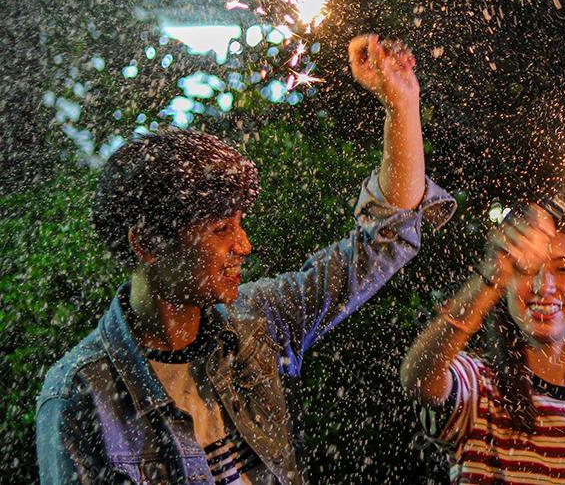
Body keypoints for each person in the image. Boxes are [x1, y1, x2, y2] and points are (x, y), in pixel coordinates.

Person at [35, 34, 456, 484]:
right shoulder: (81, 394)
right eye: (221, 229)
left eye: (240, 223)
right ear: (147, 245)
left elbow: (381, 243)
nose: (244, 244)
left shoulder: (255, 322)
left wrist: (401, 104)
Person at [400, 206, 565, 483]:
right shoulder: (479, 386)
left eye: (564, 269)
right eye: (526, 269)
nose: (544, 285)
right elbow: (419, 379)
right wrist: (489, 280)